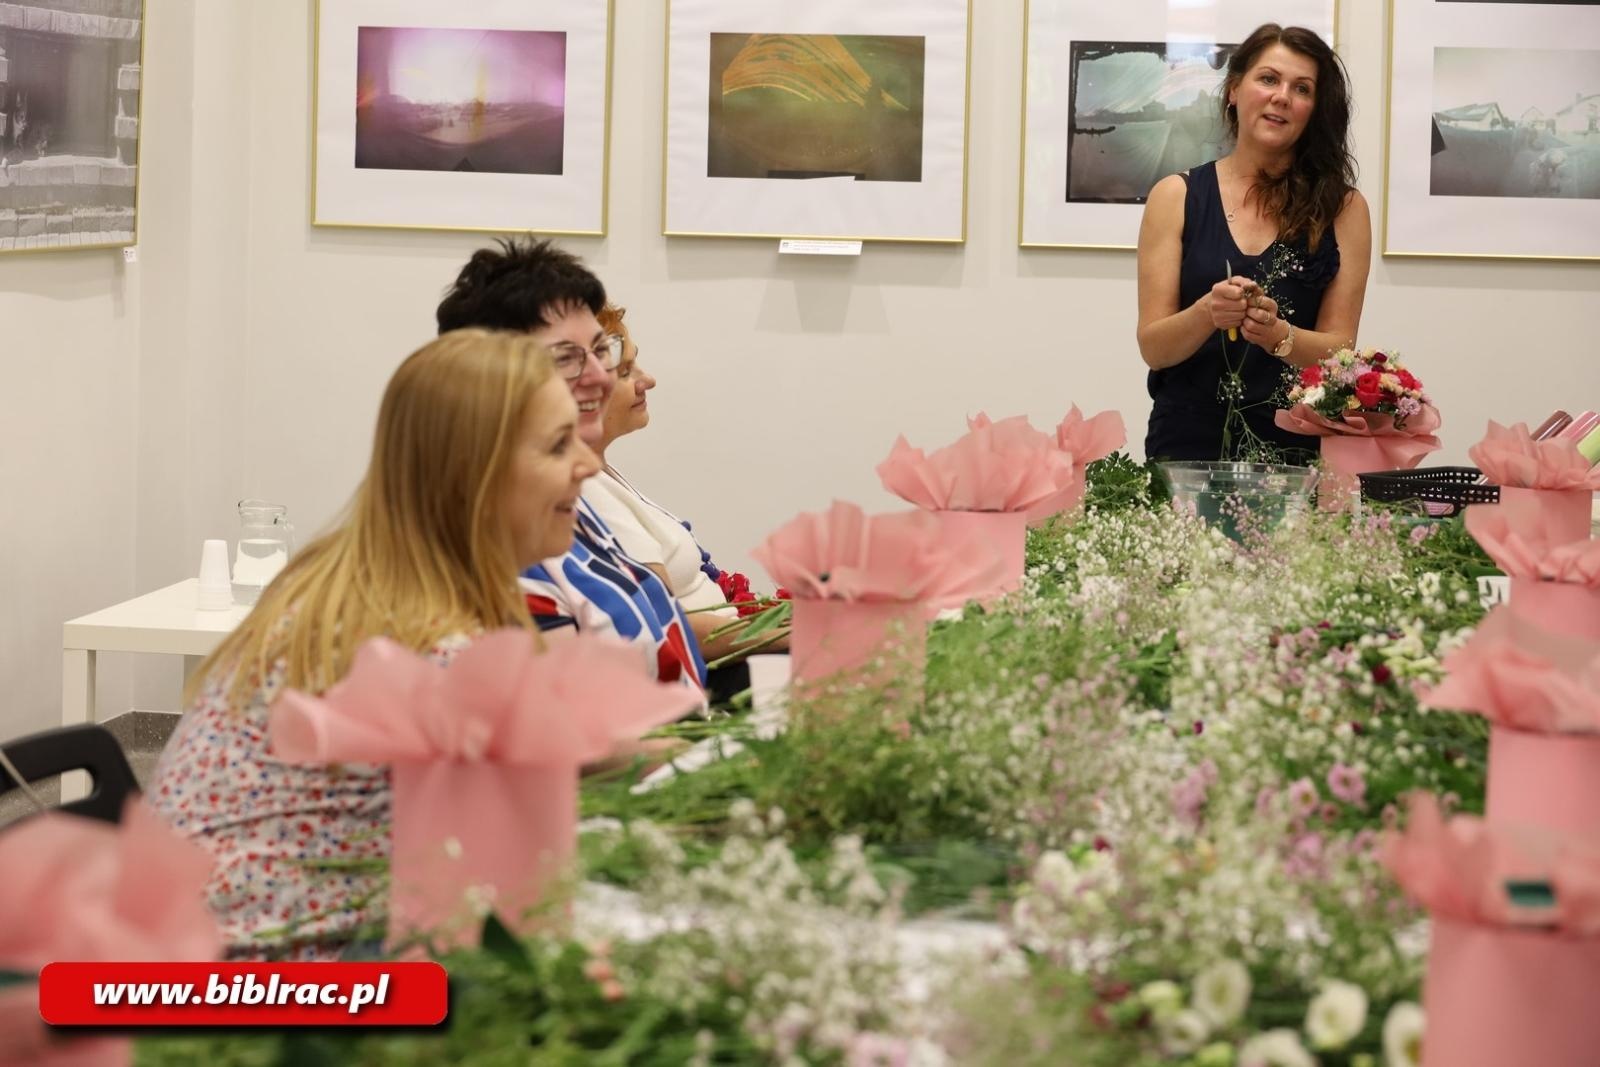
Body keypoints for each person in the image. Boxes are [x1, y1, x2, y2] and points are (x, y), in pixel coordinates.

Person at [150, 330, 601, 957]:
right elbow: (493, 899)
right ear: (473, 477)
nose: (590, 463)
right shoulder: (430, 650)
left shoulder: (358, 577)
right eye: (559, 445)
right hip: (254, 1001)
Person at [436, 238, 707, 690]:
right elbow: (571, 740)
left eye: (602, 350)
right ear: (487, 378)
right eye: (566, 358)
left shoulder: (566, 502)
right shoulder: (497, 536)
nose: (602, 377)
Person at [1136, 23, 1372, 463]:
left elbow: (1340, 350)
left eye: (1301, 88)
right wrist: (1208, 312)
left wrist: (1280, 336)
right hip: (1184, 446)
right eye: (1268, 79)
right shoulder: (1175, 196)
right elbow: (1154, 347)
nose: (1282, 96)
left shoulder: (1344, 208)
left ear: (1313, 109)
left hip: (1292, 449)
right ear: (1233, 89)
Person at [586, 305, 789, 701]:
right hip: (713, 682)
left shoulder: (601, 471)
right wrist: (790, 631)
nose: (648, 380)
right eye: (626, 372)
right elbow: (663, 626)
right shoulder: (584, 490)